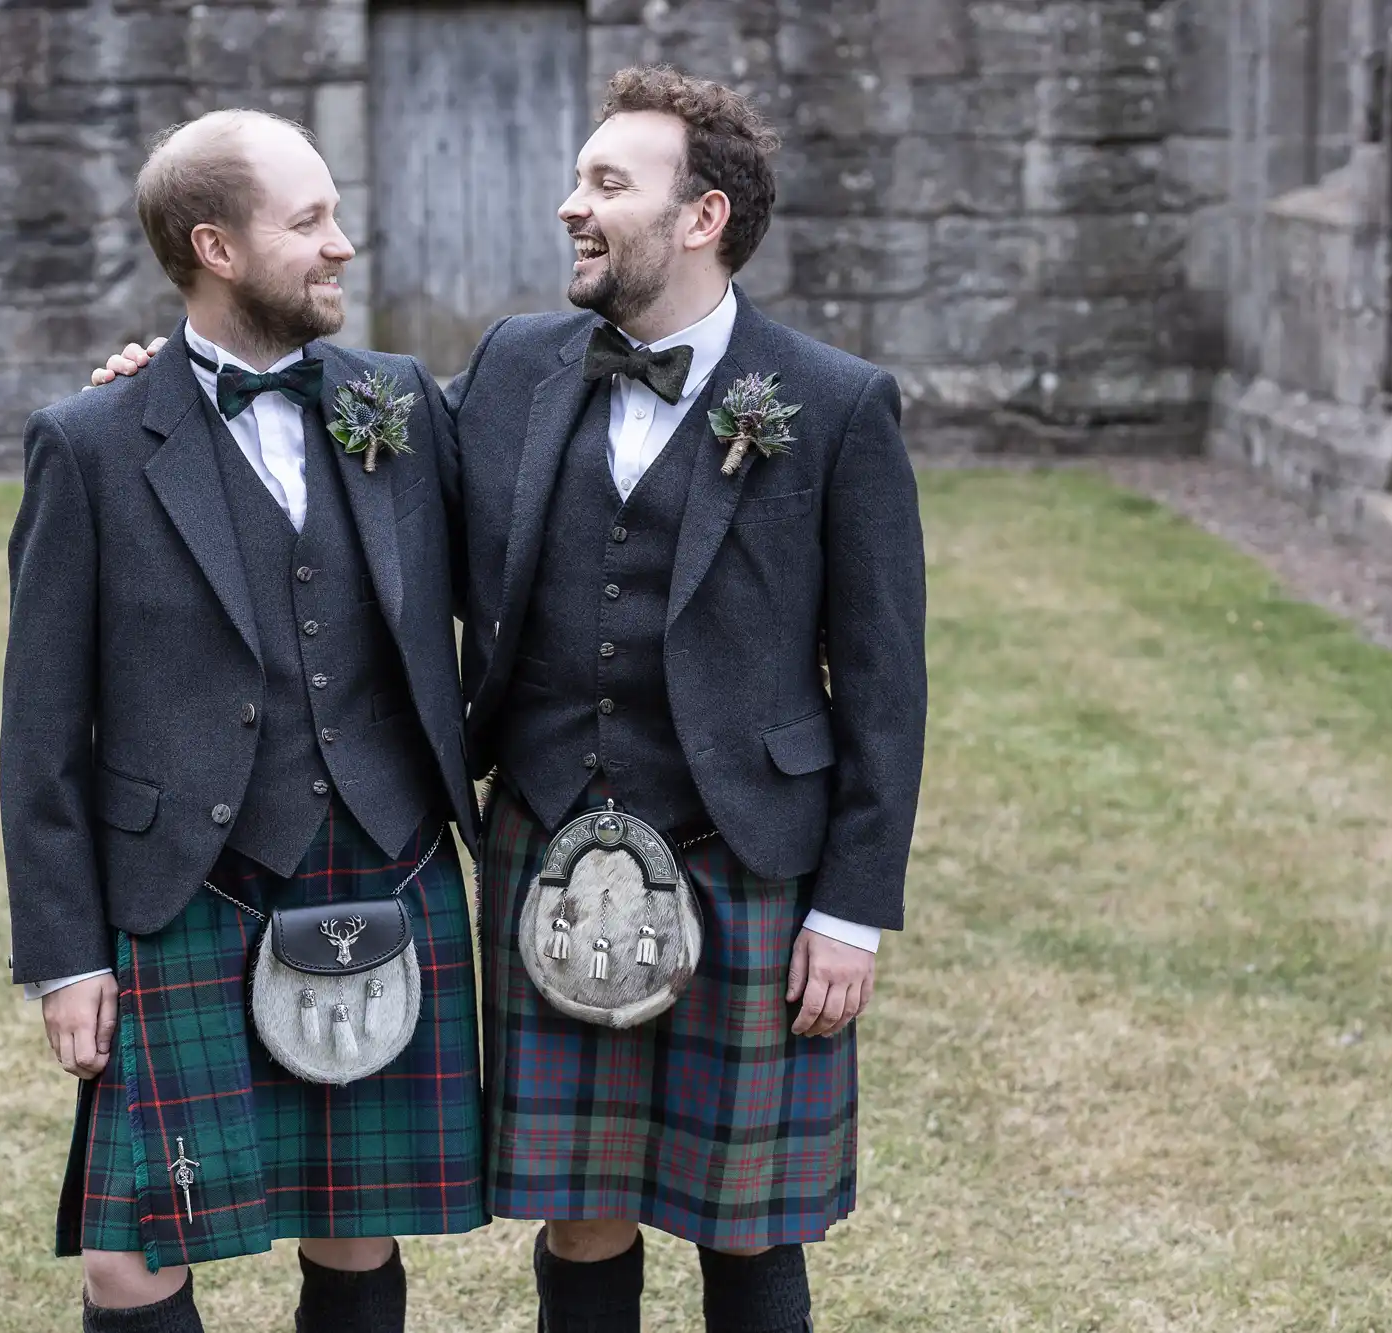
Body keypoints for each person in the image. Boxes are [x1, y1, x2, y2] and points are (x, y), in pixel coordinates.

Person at [94, 66, 927, 1333]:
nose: (569, 207)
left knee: (746, 1216)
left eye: (605, 184)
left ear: (699, 218)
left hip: (748, 852)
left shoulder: (834, 403)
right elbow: (340, 447)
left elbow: (882, 681)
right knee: (580, 1205)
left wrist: (852, 913)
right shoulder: (514, 368)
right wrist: (178, 385)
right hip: (546, 837)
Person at [1, 108, 484, 1333]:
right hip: (186, 885)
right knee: (130, 1256)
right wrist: (65, 955)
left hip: (383, 856)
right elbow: (41, 730)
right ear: (215, 247)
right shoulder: (91, 442)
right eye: (310, 221)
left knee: (352, 1216)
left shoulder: (402, 406)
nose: (342, 245)